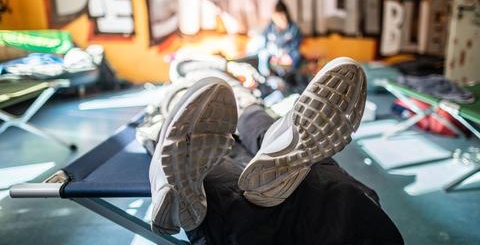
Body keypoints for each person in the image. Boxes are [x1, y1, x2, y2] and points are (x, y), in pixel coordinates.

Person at [141, 57, 404, 244]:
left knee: (197, 150)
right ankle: (280, 144)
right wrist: (229, 67)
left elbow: (183, 64)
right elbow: (183, 63)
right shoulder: (201, 67)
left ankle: (181, 189)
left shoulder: (183, 74)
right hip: (222, 97)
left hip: (188, 101)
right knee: (256, 121)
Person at [255, 0, 303, 77]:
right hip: (272, 52)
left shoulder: (294, 28)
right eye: (276, 17)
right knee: (262, 54)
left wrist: (285, 54)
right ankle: (265, 75)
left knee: (297, 55)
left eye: (281, 16)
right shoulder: (269, 27)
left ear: (286, 15)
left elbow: (296, 45)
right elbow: (263, 42)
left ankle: (292, 75)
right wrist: (272, 52)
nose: (279, 19)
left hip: (288, 52)